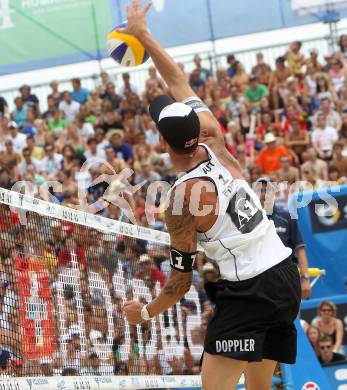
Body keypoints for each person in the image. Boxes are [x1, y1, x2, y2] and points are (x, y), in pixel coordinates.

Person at [122, 3, 301, 390]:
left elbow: (180, 284)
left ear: (161, 142)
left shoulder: (180, 201)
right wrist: (143, 34)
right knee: (259, 387)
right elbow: (178, 81)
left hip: (251, 287)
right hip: (285, 273)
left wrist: (146, 314)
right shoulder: (214, 138)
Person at [255, 177, 311, 299]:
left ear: (274, 192)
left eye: (267, 190)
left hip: (287, 277)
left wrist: (305, 278)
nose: (264, 194)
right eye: (260, 191)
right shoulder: (249, 221)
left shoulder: (287, 216)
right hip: (261, 281)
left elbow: (300, 249)